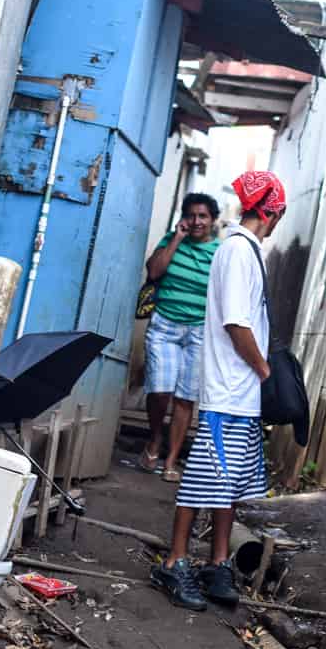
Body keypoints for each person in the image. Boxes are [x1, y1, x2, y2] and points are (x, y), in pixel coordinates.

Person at [151, 171, 287, 611]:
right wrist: (265, 370)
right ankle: (174, 562)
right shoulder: (236, 252)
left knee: (227, 485)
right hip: (227, 390)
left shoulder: (248, 251)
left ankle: (218, 562)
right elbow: (235, 323)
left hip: (239, 391)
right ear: (273, 211)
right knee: (202, 481)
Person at [141, 194, 221, 481]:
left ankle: (171, 460)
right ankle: (155, 439)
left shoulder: (220, 252)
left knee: (186, 398)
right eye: (191, 215)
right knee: (160, 391)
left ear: (213, 220)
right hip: (165, 326)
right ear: (184, 218)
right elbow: (154, 271)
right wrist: (176, 239)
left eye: (203, 216)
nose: (197, 221)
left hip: (199, 331)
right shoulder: (171, 240)